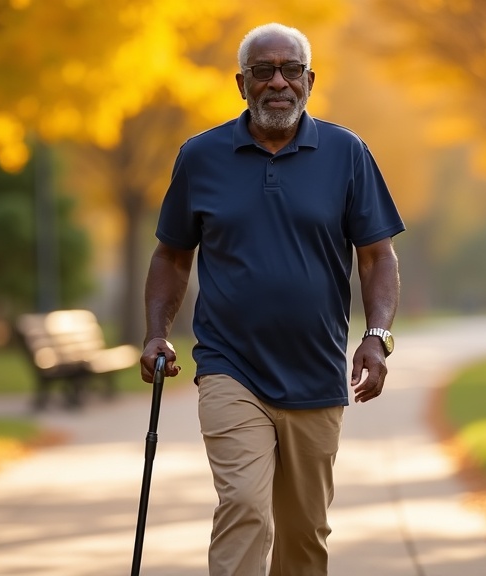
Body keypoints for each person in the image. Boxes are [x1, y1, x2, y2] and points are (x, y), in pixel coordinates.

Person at [140, 22, 404, 576]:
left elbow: (377, 257)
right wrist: (156, 332)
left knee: (305, 534)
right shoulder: (201, 157)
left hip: (316, 371)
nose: (277, 83)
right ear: (242, 83)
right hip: (228, 366)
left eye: (290, 71)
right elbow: (171, 255)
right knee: (244, 507)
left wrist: (376, 339)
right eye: (264, 72)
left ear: (310, 80)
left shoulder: (347, 152)